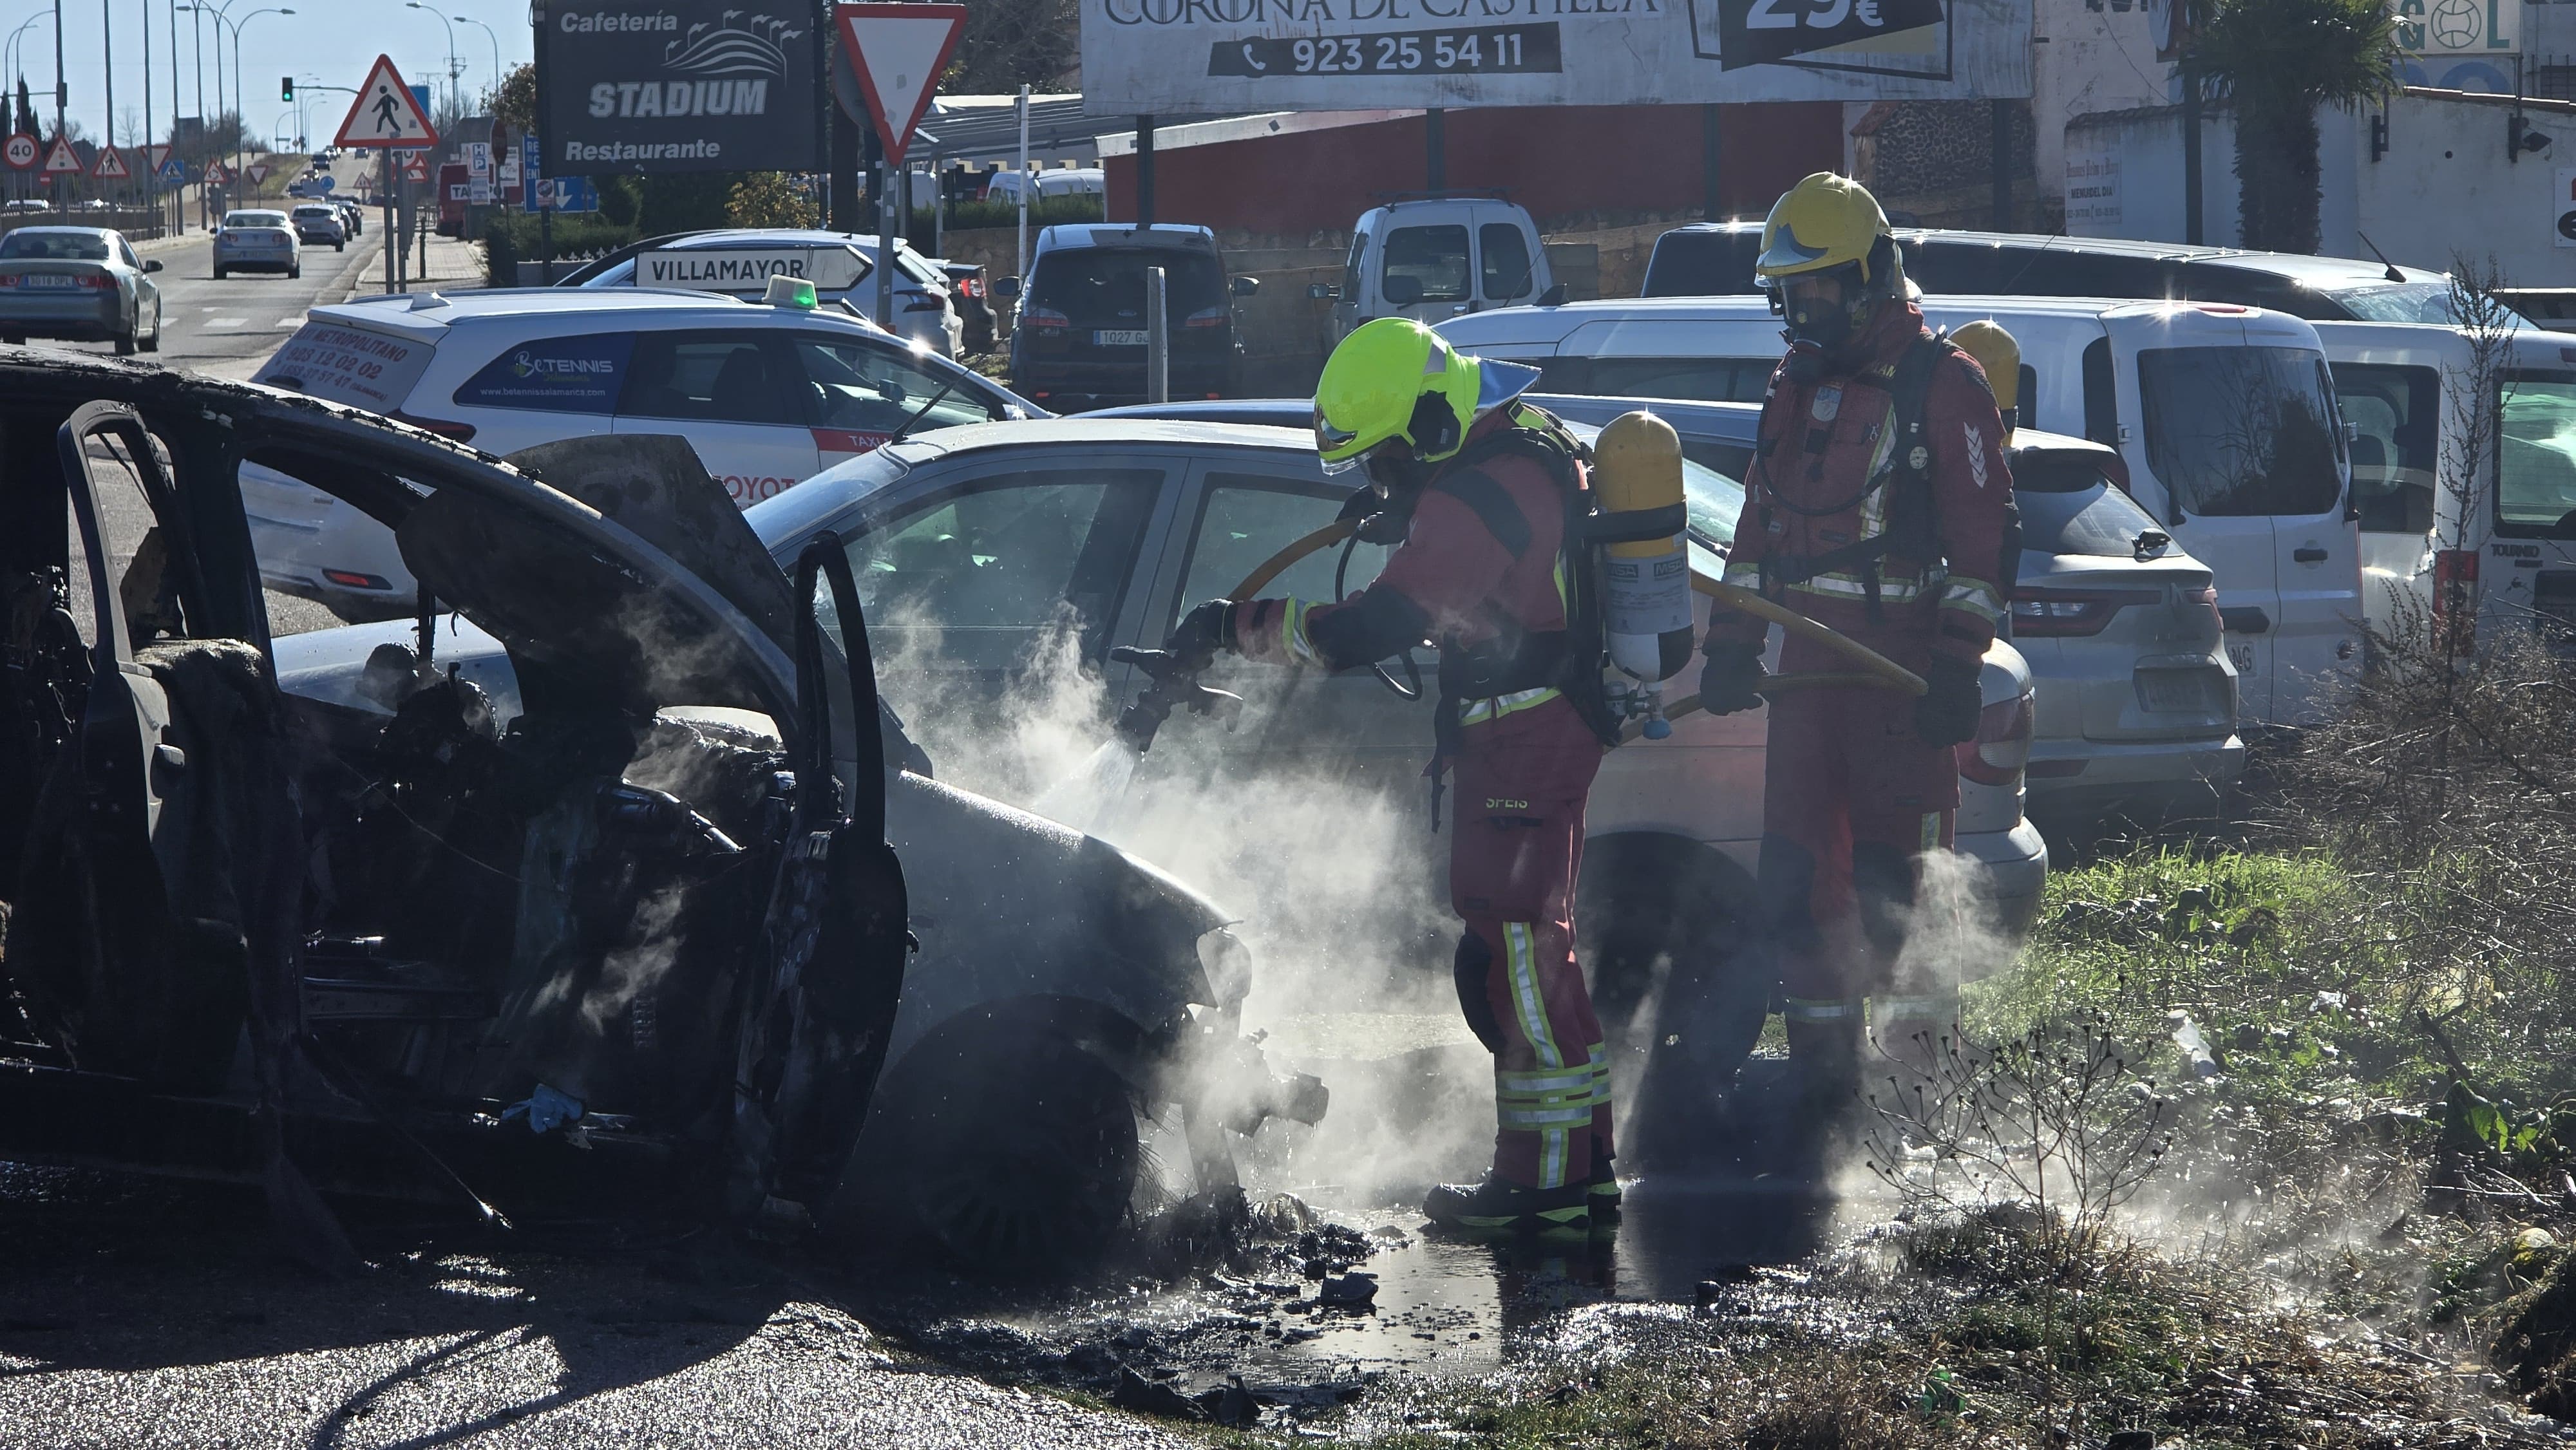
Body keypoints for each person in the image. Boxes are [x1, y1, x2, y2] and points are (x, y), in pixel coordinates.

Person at [1159, 317, 1618, 1236]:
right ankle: (1559, 1174)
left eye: (1385, 465)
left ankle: (1555, 1192)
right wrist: (1411, 508)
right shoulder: (1515, 449)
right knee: (1515, 953)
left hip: (1526, 738)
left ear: (1431, 436)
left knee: (1527, 960)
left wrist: (1232, 628)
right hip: (1529, 729)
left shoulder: (1472, 495)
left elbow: (1367, 631)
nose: (1378, 486)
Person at [1695, 173, 2016, 1125]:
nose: (1805, 313)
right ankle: (1826, 1101)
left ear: (1871, 276)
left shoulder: (1944, 384)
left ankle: (1922, 1111)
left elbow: (1984, 545)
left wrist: (1958, 668)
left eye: (1822, 291)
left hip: (1901, 688)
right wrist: (1729, 646)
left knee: (1899, 899)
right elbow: (1759, 527)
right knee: (1798, 889)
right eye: (1792, 296)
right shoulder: (1793, 388)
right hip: (1806, 688)